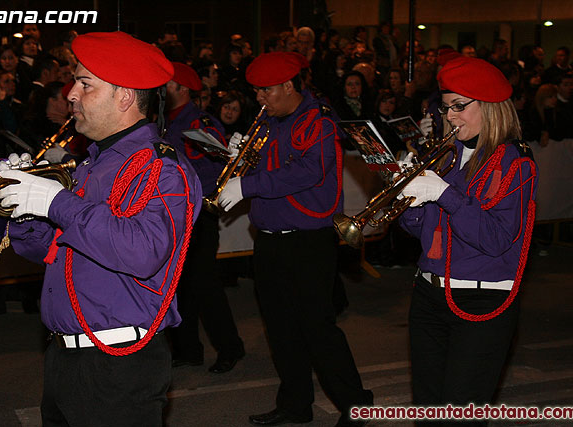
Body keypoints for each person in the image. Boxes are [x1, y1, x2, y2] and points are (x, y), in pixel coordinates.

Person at [0, 31, 201, 426]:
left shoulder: (161, 168)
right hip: (65, 358)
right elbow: (51, 252)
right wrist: (22, 209)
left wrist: (55, 202)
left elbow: (142, 252)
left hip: (117, 367)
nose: (71, 94)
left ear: (124, 96)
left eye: (85, 84)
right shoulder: (92, 164)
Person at [219, 52, 373, 427]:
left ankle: (356, 403)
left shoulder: (316, 121)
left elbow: (306, 171)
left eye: (266, 90)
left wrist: (249, 183)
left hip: (307, 240)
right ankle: (295, 403)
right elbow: (273, 165)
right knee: (281, 327)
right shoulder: (270, 120)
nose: (260, 98)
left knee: (317, 328)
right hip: (270, 238)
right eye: (257, 91)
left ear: (289, 85)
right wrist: (240, 157)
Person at [397, 56, 538, 416]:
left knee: (461, 413)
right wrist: (408, 196)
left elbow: (495, 239)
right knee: (429, 409)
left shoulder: (514, 162)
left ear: (490, 107)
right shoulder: (445, 156)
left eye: (460, 106)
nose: (450, 117)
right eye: (446, 108)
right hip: (429, 293)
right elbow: (420, 231)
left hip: (481, 301)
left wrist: (443, 194)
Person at [163, 61, 245, 373]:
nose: (161, 90)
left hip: (196, 216)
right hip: (170, 216)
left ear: (182, 89)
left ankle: (229, 347)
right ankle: (187, 349)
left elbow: (214, 172)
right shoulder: (161, 123)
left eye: (167, 85)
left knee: (206, 286)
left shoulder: (200, 123)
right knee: (177, 287)